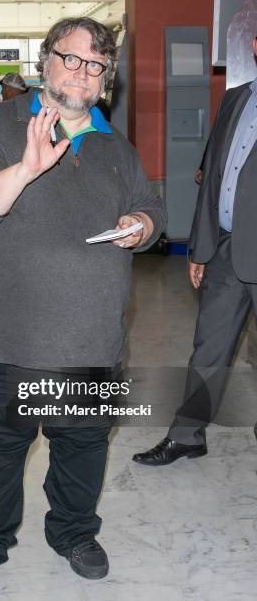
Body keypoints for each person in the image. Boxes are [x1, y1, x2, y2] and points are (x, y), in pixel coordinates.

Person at [0, 16, 166, 597]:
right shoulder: (0, 124)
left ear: (104, 76)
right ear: (46, 60)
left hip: (91, 344)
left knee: (84, 448)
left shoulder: (114, 143)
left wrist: (141, 225)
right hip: (2, 342)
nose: (83, 72)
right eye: (72, 58)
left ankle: (72, 532)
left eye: (96, 64)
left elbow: (150, 207)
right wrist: (25, 168)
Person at [133, 36, 257, 467]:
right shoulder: (236, 99)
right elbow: (213, 173)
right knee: (209, 349)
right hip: (224, 248)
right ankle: (187, 435)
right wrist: (200, 247)